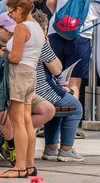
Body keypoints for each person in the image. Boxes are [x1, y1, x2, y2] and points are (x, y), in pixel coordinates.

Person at [0, 13, 56, 158]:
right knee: (3, 110)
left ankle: (8, 135)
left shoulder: (19, 40)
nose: (13, 35)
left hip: (18, 86)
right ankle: (13, 143)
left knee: (48, 110)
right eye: (10, 32)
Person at [31, 11, 85, 163]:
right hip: (41, 89)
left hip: (30, 87)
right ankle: (66, 150)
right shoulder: (40, 42)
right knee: (76, 107)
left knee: (57, 109)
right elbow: (57, 69)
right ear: (44, 28)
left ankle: (51, 148)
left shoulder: (21, 39)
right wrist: (47, 44)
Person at [2, 0, 43, 178]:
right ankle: (29, 164)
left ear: (18, 9)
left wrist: (2, 53)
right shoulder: (37, 28)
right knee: (26, 121)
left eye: (10, 12)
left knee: (17, 121)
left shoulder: (22, 27)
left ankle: (19, 166)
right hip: (31, 73)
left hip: (19, 73)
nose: (10, 17)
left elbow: (15, 57)